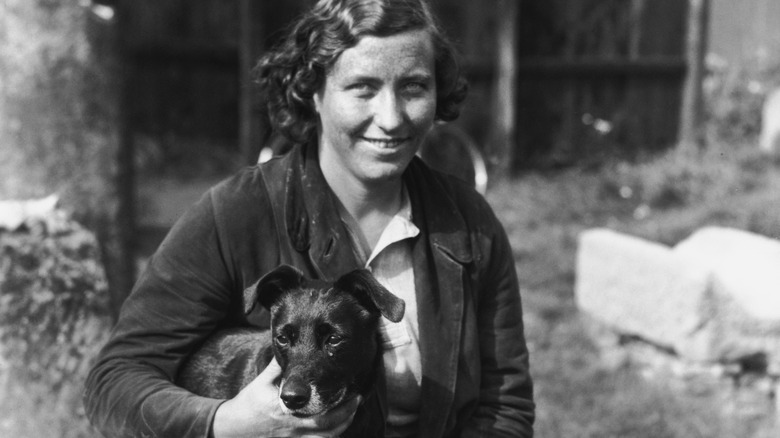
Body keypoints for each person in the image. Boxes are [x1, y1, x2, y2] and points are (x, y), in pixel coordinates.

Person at [84, 0, 535, 436]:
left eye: (414, 86)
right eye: (363, 87)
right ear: (313, 91)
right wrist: (226, 423)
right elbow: (115, 383)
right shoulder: (236, 214)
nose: (392, 117)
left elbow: (504, 407)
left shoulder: (468, 224)